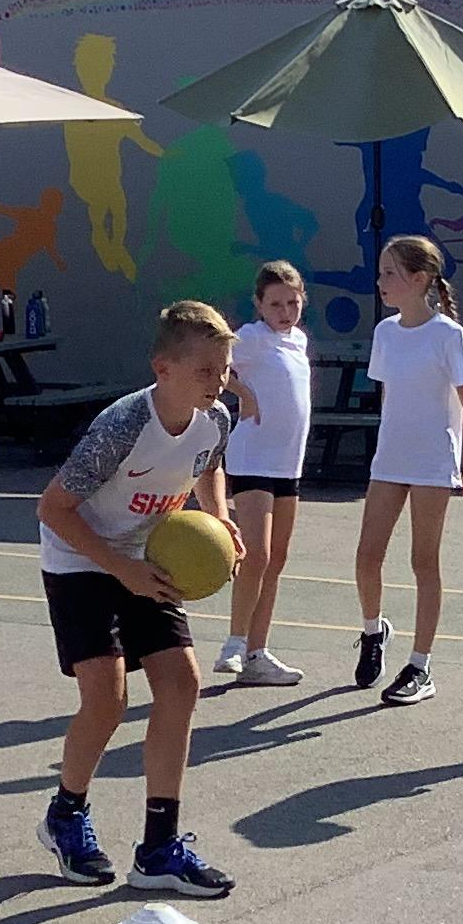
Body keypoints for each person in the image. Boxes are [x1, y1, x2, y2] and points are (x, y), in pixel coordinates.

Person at [36, 301, 241, 898]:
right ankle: (66, 814)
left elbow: (208, 467)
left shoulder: (214, 419)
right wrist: (121, 569)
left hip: (148, 556)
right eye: (205, 371)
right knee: (107, 699)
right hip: (82, 556)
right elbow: (53, 508)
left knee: (181, 684)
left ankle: (158, 849)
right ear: (163, 369)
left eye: (224, 369)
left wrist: (219, 518)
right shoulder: (123, 426)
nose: (218, 381)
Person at [351, 235, 463, 706]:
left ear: (419, 279)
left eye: (390, 273)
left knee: (423, 562)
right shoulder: (386, 333)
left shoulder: (448, 335)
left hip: (433, 462)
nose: (381, 281)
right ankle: (373, 632)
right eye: (381, 272)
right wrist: (386, 446)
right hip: (390, 460)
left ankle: (420, 666)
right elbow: (389, 396)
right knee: (367, 557)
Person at [215, 260, 311, 689]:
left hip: (288, 464)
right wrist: (244, 394)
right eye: (275, 304)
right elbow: (211, 360)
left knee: (277, 559)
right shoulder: (251, 338)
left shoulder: (298, 340)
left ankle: (257, 653)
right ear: (259, 304)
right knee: (257, 553)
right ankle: (234, 644)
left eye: (292, 302)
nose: (285, 312)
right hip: (252, 457)